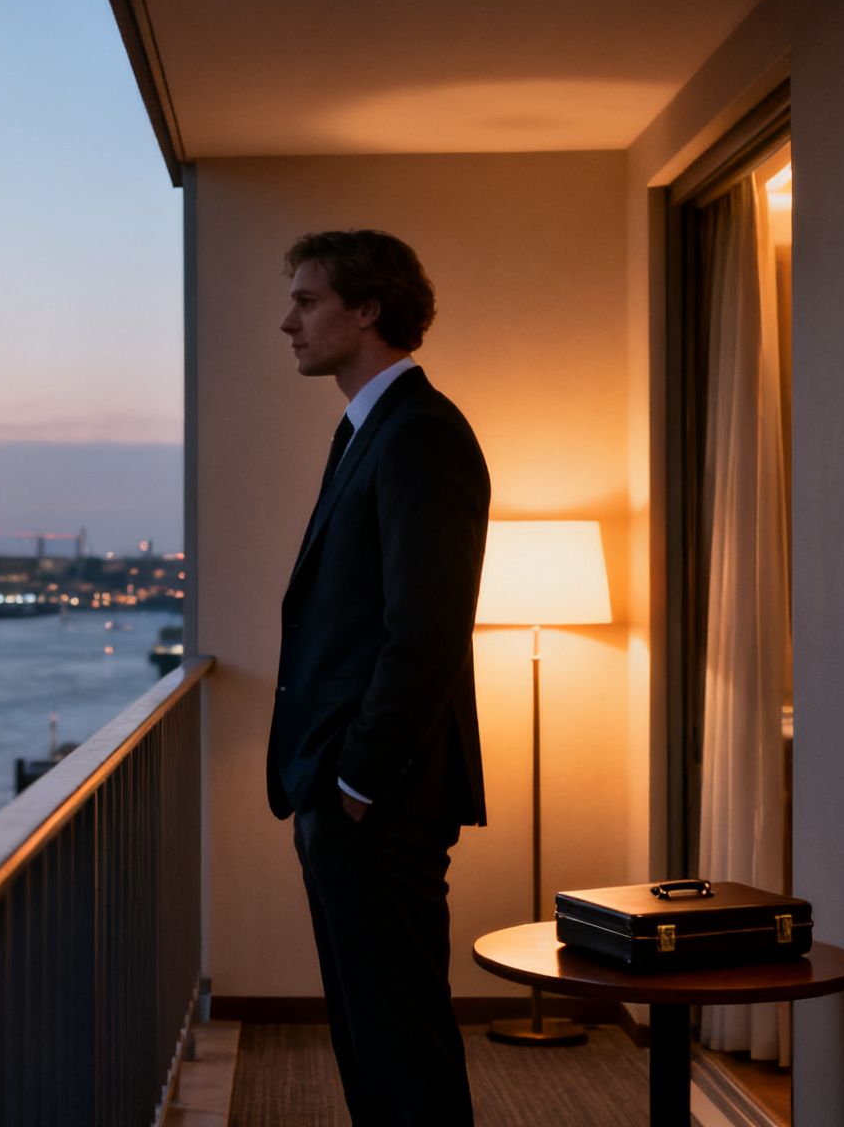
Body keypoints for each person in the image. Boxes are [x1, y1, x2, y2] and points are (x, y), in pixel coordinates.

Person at [269, 229, 490, 1124]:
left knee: (399, 1042)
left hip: (377, 797)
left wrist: (357, 781)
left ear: (368, 309)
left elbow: (425, 631)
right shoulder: (368, 430)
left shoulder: (420, 434)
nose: (287, 322)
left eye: (307, 300)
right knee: (372, 1036)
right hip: (347, 792)